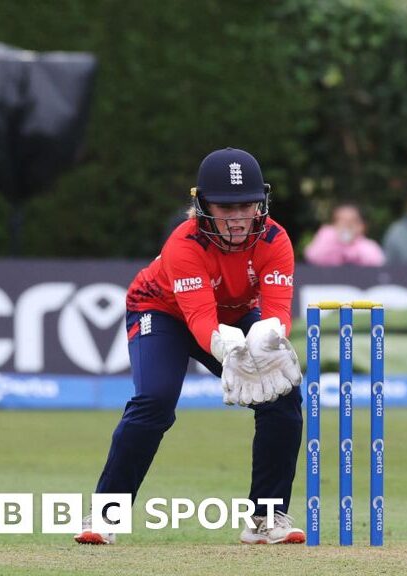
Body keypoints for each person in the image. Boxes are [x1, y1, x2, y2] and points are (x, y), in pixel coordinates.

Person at [74, 148, 305, 545]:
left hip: (231, 315)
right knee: (155, 400)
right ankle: (105, 515)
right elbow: (198, 318)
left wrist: (267, 340)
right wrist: (226, 348)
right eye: (224, 206)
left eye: (246, 205)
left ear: (260, 203)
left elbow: (278, 311)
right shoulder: (186, 242)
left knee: (283, 396)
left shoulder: (275, 239)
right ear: (202, 205)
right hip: (161, 311)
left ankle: (266, 519)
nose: (236, 217)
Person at [304, 203, 385, 266]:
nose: (346, 225)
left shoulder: (367, 245)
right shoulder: (326, 237)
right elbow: (312, 256)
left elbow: (378, 261)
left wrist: (351, 245)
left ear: (360, 225)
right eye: (342, 220)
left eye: (351, 221)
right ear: (334, 223)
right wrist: (336, 243)